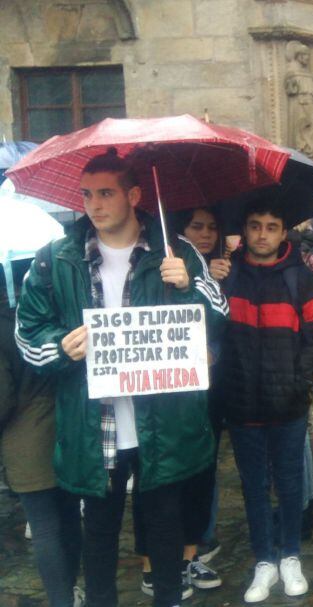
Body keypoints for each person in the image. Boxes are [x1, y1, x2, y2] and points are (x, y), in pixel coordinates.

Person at [14, 149, 228, 607]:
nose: (94, 204)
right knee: (100, 531)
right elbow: (28, 331)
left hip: (163, 421)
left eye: (106, 193)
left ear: (133, 194)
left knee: (166, 529)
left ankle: (168, 599)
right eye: (87, 194)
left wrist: (188, 284)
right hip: (96, 424)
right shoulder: (55, 259)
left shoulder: (177, 251)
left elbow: (219, 316)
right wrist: (60, 346)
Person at [218, 198, 313, 603]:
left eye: (271, 226)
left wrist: (300, 380)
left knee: (289, 482)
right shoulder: (227, 276)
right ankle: (264, 560)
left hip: (288, 402)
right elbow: (213, 332)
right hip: (243, 400)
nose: (262, 234)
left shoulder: (301, 279)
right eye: (255, 226)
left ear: (283, 232)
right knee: (252, 485)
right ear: (245, 231)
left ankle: (291, 557)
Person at [131, 208, 231, 598]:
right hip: (149, 395)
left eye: (211, 226)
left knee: (197, 476)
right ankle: (152, 565)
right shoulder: (143, 257)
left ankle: (188, 557)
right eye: (196, 227)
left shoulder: (188, 258)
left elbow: (221, 317)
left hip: (200, 393)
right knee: (150, 480)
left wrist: (190, 283)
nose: (205, 234)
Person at [2, 267, 83, 607]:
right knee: (69, 520)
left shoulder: (4, 328)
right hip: (69, 431)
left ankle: (61, 599)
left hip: (25, 444)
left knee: (45, 528)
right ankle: (73, 589)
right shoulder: (62, 318)